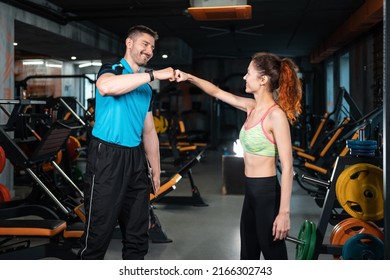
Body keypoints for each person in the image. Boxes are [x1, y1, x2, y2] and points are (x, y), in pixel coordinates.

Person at [175, 52, 302, 260]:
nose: (244, 77)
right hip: (250, 192)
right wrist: (189, 77)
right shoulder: (251, 107)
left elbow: (288, 167)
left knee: (274, 256)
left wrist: (284, 213)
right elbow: (216, 92)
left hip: (267, 194)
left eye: (248, 73)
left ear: (263, 80)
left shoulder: (275, 116)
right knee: (248, 255)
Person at [79, 25, 175, 260]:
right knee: (98, 233)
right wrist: (155, 74)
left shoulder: (144, 89)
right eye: (145, 44)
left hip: (135, 159)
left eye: (152, 47)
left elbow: (149, 131)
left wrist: (155, 170)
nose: (150, 50)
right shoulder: (111, 69)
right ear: (129, 43)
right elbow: (106, 87)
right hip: (107, 155)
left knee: (137, 234)